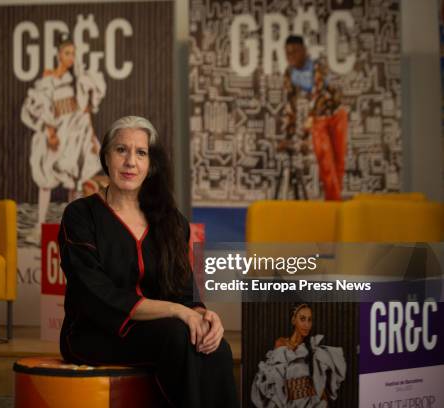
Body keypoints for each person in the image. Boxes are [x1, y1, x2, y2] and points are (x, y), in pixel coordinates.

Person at [58, 116, 239, 408]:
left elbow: (182, 290)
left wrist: (203, 315)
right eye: (121, 150)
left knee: (216, 348)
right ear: (106, 156)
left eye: (140, 153)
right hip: (95, 332)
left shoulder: (171, 221)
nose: (131, 161)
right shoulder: (80, 216)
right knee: (178, 337)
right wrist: (176, 312)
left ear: (151, 163)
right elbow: (94, 294)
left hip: (160, 329)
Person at [21, 33, 105, 245]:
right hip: (56, 131)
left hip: (75, 132)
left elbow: (86, 110)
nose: (71, 57)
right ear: (59, 54)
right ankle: (40, 227)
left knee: (74, 181)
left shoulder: (78, 79)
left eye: (73, 54)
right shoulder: (49, 77)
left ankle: (72, 230)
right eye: (67, 53)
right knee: (46, 179)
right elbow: (40, 105)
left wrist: (92, 139)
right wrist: (49, 131)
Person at [280, 35, 348, 201]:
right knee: (326, 163)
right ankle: (333, 206)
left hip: (337, 114)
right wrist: (288, 137)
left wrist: (303, 135)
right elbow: (291, 106)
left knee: (338, 164)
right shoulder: (289, 73)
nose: (291, 57)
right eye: (288, 53)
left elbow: (318, 98)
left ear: (304, 51)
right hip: (320, 120)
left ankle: (334, 204)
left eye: (295, 52)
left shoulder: (317, 66)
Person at [251, 303, 347, 407]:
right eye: (302, 319)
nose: (307, 324)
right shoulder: (281, 344)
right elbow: (273, 379)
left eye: (309, 320)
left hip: (309, 403)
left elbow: (320, 386)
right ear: (293, 320)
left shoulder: (313, 349)